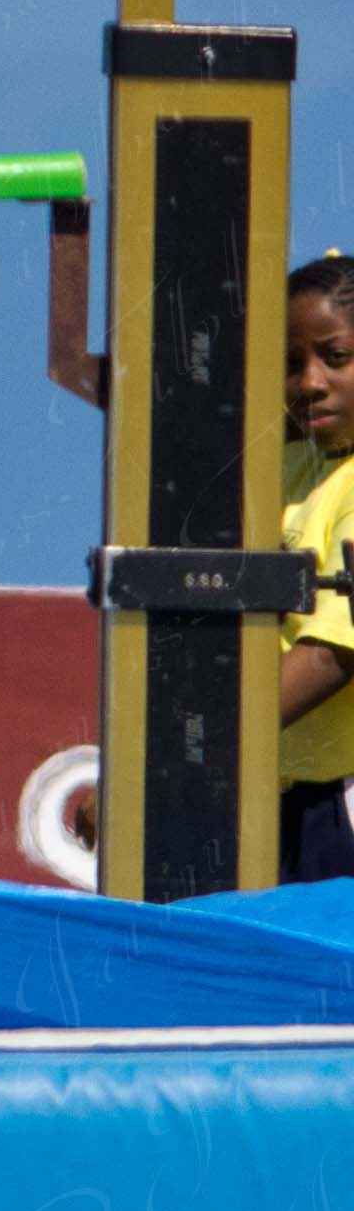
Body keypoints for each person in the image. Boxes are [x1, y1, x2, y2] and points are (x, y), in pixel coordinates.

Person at [275, 252, 354, 880]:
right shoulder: (293, 468)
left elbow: (332, 653)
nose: (309, 382)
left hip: (341, 798)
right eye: (290, 363)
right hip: (285, 791)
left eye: (336, 356)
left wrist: (181, 754)